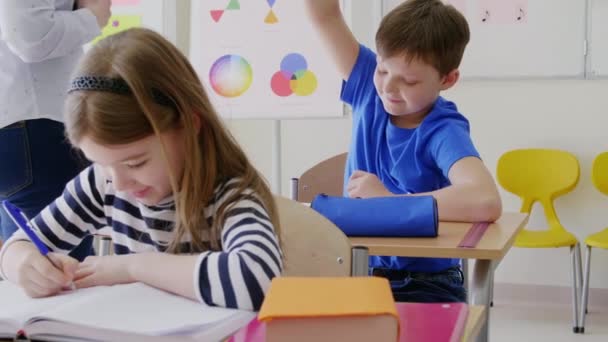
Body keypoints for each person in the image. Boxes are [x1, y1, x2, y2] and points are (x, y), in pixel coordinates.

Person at [0, 28, 282, 311]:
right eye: (100, 163)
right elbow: (18, 246)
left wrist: (134, 267)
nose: (119, 183)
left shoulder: (231, 195)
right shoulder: (103, 183)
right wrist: (24, 263)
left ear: (188, 126)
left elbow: (260, 282)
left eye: (135, 163)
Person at [305, 0, 502, 302]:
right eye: (383, 70)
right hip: (355, 271)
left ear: (447, 79)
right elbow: (324, 14)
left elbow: (485, 200)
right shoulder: (366, 85)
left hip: (424, 284)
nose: (388, 88)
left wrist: (389, 202)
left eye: (409, 80)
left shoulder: (442, 129)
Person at [0, 0, 111, 259]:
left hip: (22, 130)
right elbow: (29, 35)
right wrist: (93, 16)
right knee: (57, 269)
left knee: (29, 260)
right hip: (35, 131)